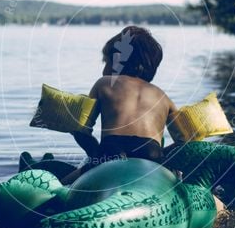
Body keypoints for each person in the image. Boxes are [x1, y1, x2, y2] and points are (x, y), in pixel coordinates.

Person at [62, 25, 177, 183]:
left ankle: (56, 196)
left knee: (63, 186)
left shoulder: (104, 83)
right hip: (151, 154)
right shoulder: (162, 96)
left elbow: (82, 129)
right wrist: (162, 155)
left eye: (106, 62)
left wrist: (96, 156)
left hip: (111, 151)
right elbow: (184, 141)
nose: (104, 70)